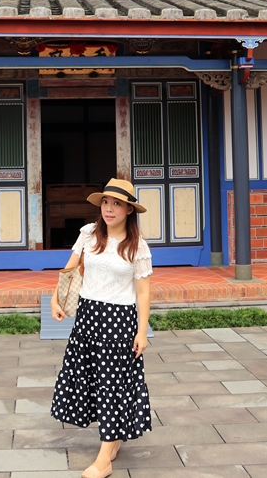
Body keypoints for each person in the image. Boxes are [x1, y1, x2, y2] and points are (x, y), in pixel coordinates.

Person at [50, 178, 153, 478]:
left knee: (112, 386)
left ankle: (103, 459)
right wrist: (55, 299)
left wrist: (142, 332)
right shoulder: (89, 235)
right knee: (92, 382)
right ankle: (113, 440)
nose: (109, 209)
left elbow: (144, 292)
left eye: (116, 204)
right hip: (87, 318)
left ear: (129, 210)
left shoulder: (137, 247)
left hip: (119, 322)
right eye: (106, 202)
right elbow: (69, 269)